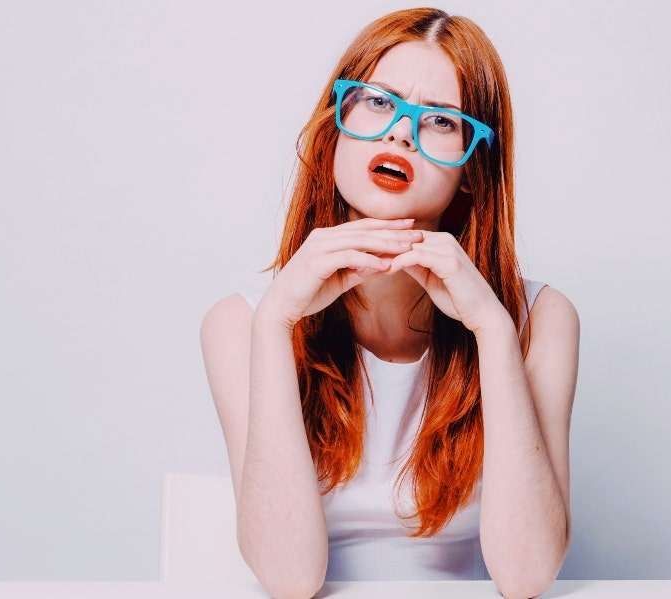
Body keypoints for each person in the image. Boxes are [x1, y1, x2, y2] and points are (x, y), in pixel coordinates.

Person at [200, 8, 579, 599]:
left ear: (474, 170)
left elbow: (527, 576)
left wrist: (494, 333)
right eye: (378, 101)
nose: (400, 132)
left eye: (441, 121)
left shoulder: (540, 319)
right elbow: (289, 580)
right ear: (336, 127)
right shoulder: (242, 321)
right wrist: (275, 323)